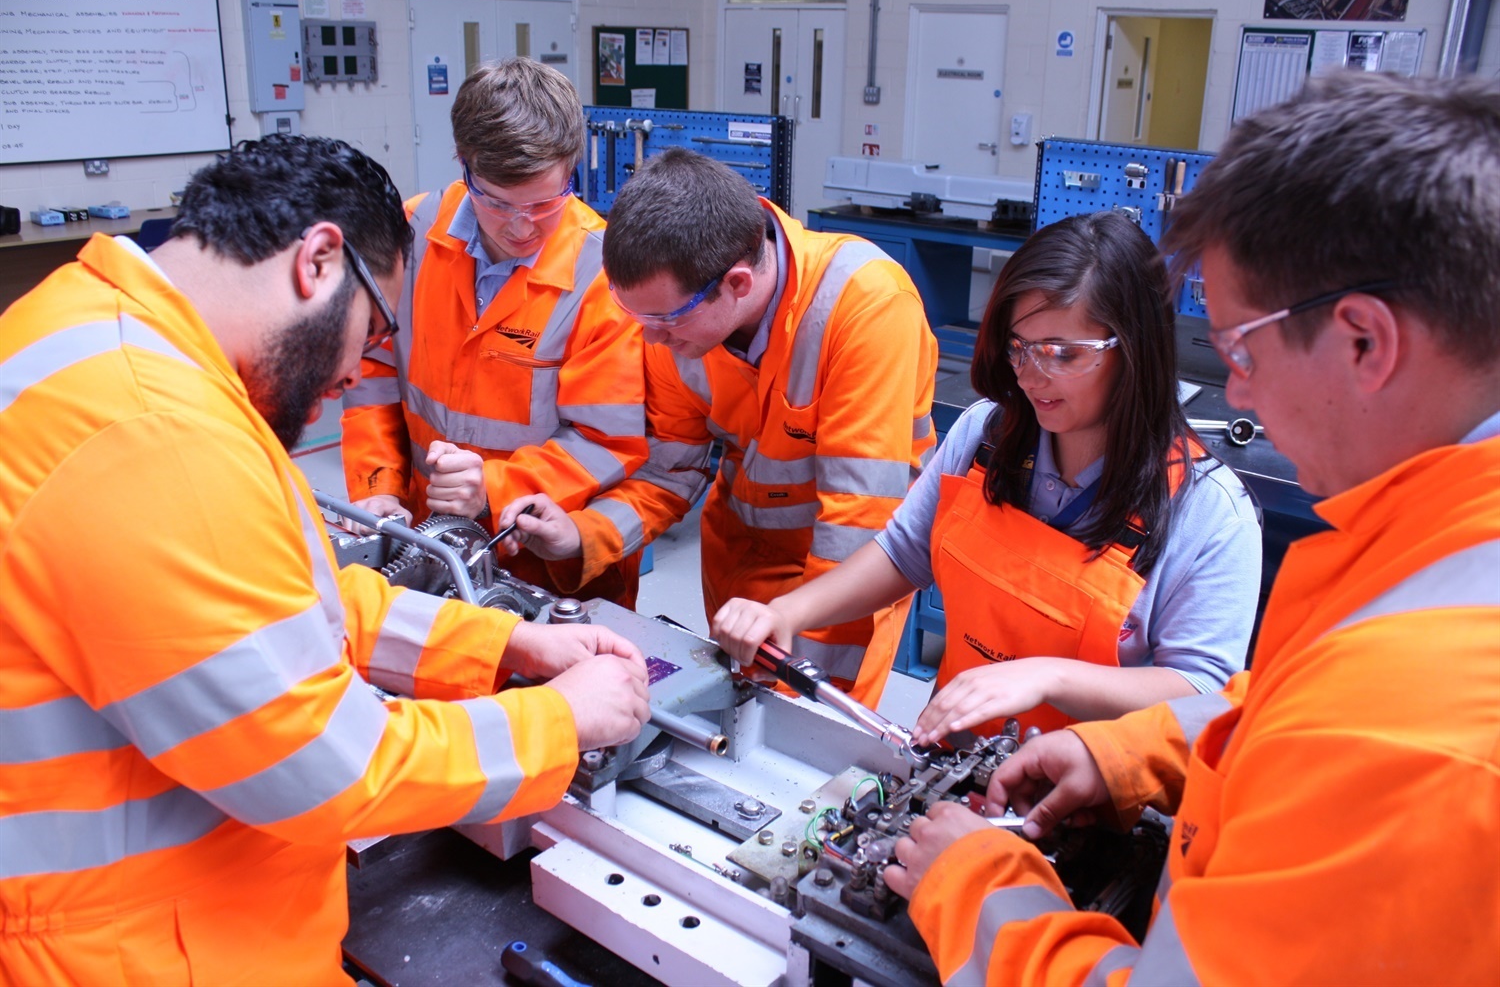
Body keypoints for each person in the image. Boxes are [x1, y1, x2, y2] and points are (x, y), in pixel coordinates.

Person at [884, 72, 1500, 984]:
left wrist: (979, 886)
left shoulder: (1405, 728)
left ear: (1366, 342)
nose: (1234, 390)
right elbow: (1277, 713)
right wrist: (1128, 752)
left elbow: (1346, 737)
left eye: (1242, 346)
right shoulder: (1434, 551)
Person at [0, 134, 650, 982]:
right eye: (375, 328)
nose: (355, 373)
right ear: (317, 261)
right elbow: (324, 764)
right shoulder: (152, 435)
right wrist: (558, 719)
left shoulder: (97, 331)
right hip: (154, 944)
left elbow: (263, 605)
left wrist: (498, 646)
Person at [715, 211, 1260, 738]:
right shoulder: (987, 436)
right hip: (956, 757)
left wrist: (1048, 677)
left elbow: (1202, 691)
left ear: (1135, 349)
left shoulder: (1209, 512)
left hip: (1093, 796)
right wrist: (787, 611)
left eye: (1062, 354)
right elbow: (905, 552)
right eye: (1019, 349)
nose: (1030, 376)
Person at [491, 148, 940, 708]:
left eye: (663, 321)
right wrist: (580, 536)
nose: (650, 340)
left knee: (801, 755)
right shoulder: (677, 323)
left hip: (840, 579)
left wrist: (807, 696)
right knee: (725, 708)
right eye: (637, 318)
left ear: (738, 283)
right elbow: (667, 474)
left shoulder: (866, 306)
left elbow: (857, 524)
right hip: (738, 555)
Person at [340, 57, 649, 607]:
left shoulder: (604, 275)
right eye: (497, 202)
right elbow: (371, 373)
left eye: (544, 203)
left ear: (572, 167)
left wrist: (494, 488)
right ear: (464, 164)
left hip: (548, 568)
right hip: (426, 542)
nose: (522, 225)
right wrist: (378, 489)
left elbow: (606, 439)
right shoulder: (413, 232)